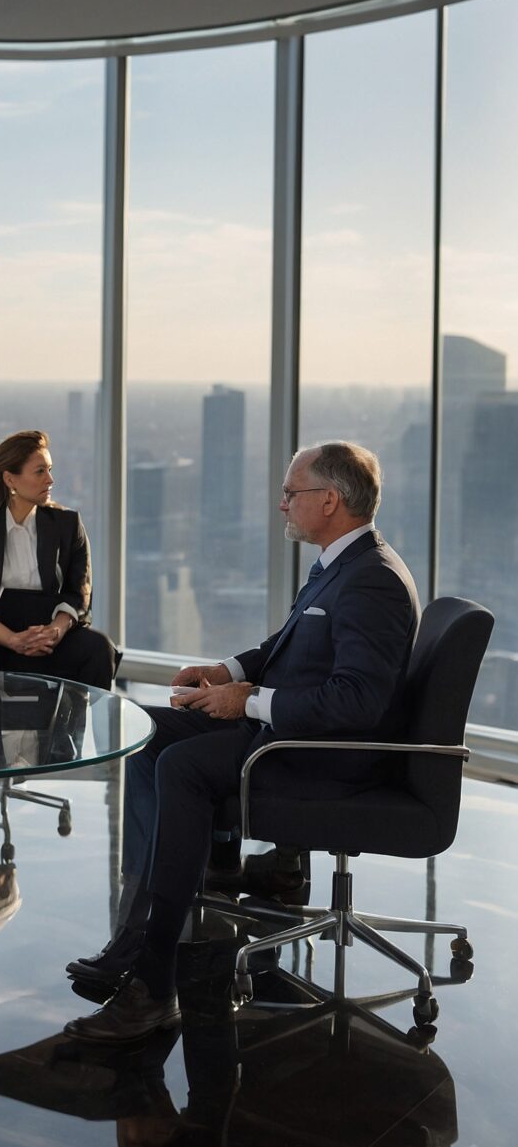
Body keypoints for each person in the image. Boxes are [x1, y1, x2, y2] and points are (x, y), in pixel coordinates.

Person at [65, 441, 420, 1042]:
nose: (282, 505)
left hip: (319, 757)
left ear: (329, 500)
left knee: (182, 767)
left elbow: (358, 702)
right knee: (147, 731)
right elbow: (289, 645)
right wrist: (227, 672)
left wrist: (248, 702)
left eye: (291, 493)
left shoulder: (372, 582)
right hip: (285, 729)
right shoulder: (341, 564)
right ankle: (136, 932)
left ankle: (155, 986)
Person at [0, 430, 117, 689]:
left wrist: (55, 631)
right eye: (40, 472)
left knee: (98, 648)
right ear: (10, 479)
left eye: (50, 470)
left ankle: (77, 729)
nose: (50, 479)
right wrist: (13, 640)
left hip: (50, 635)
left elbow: (79, 594)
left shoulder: (68, 524)